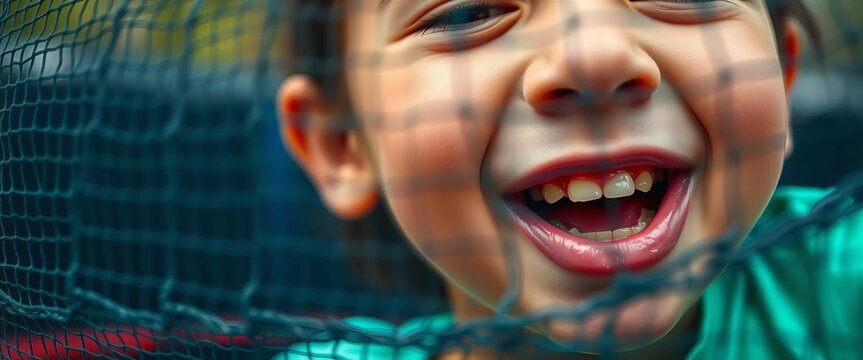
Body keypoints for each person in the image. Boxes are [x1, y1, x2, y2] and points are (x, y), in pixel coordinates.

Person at [273, 0, 862, 358]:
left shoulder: (842, 286)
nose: (594, 57)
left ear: (782, 77)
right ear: (341, 143)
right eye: (466, 14)